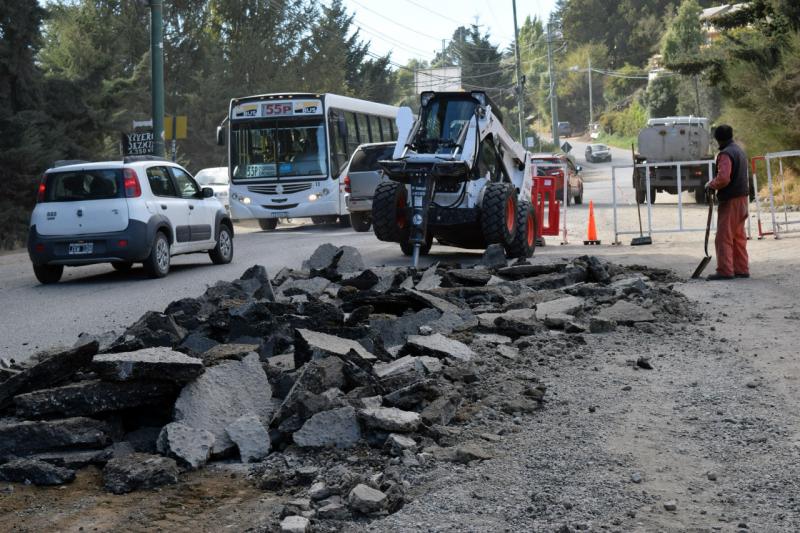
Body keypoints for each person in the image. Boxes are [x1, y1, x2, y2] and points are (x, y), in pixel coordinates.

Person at [706, 124, 750, 280]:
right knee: (738, 236)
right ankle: (741, 269)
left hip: (731, 200)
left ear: (718, 139)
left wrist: (711, 185)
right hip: (743, 198)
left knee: (723, 236)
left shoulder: (725, 154)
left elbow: (724, 178)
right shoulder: (739, 151)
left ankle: (725, 270)